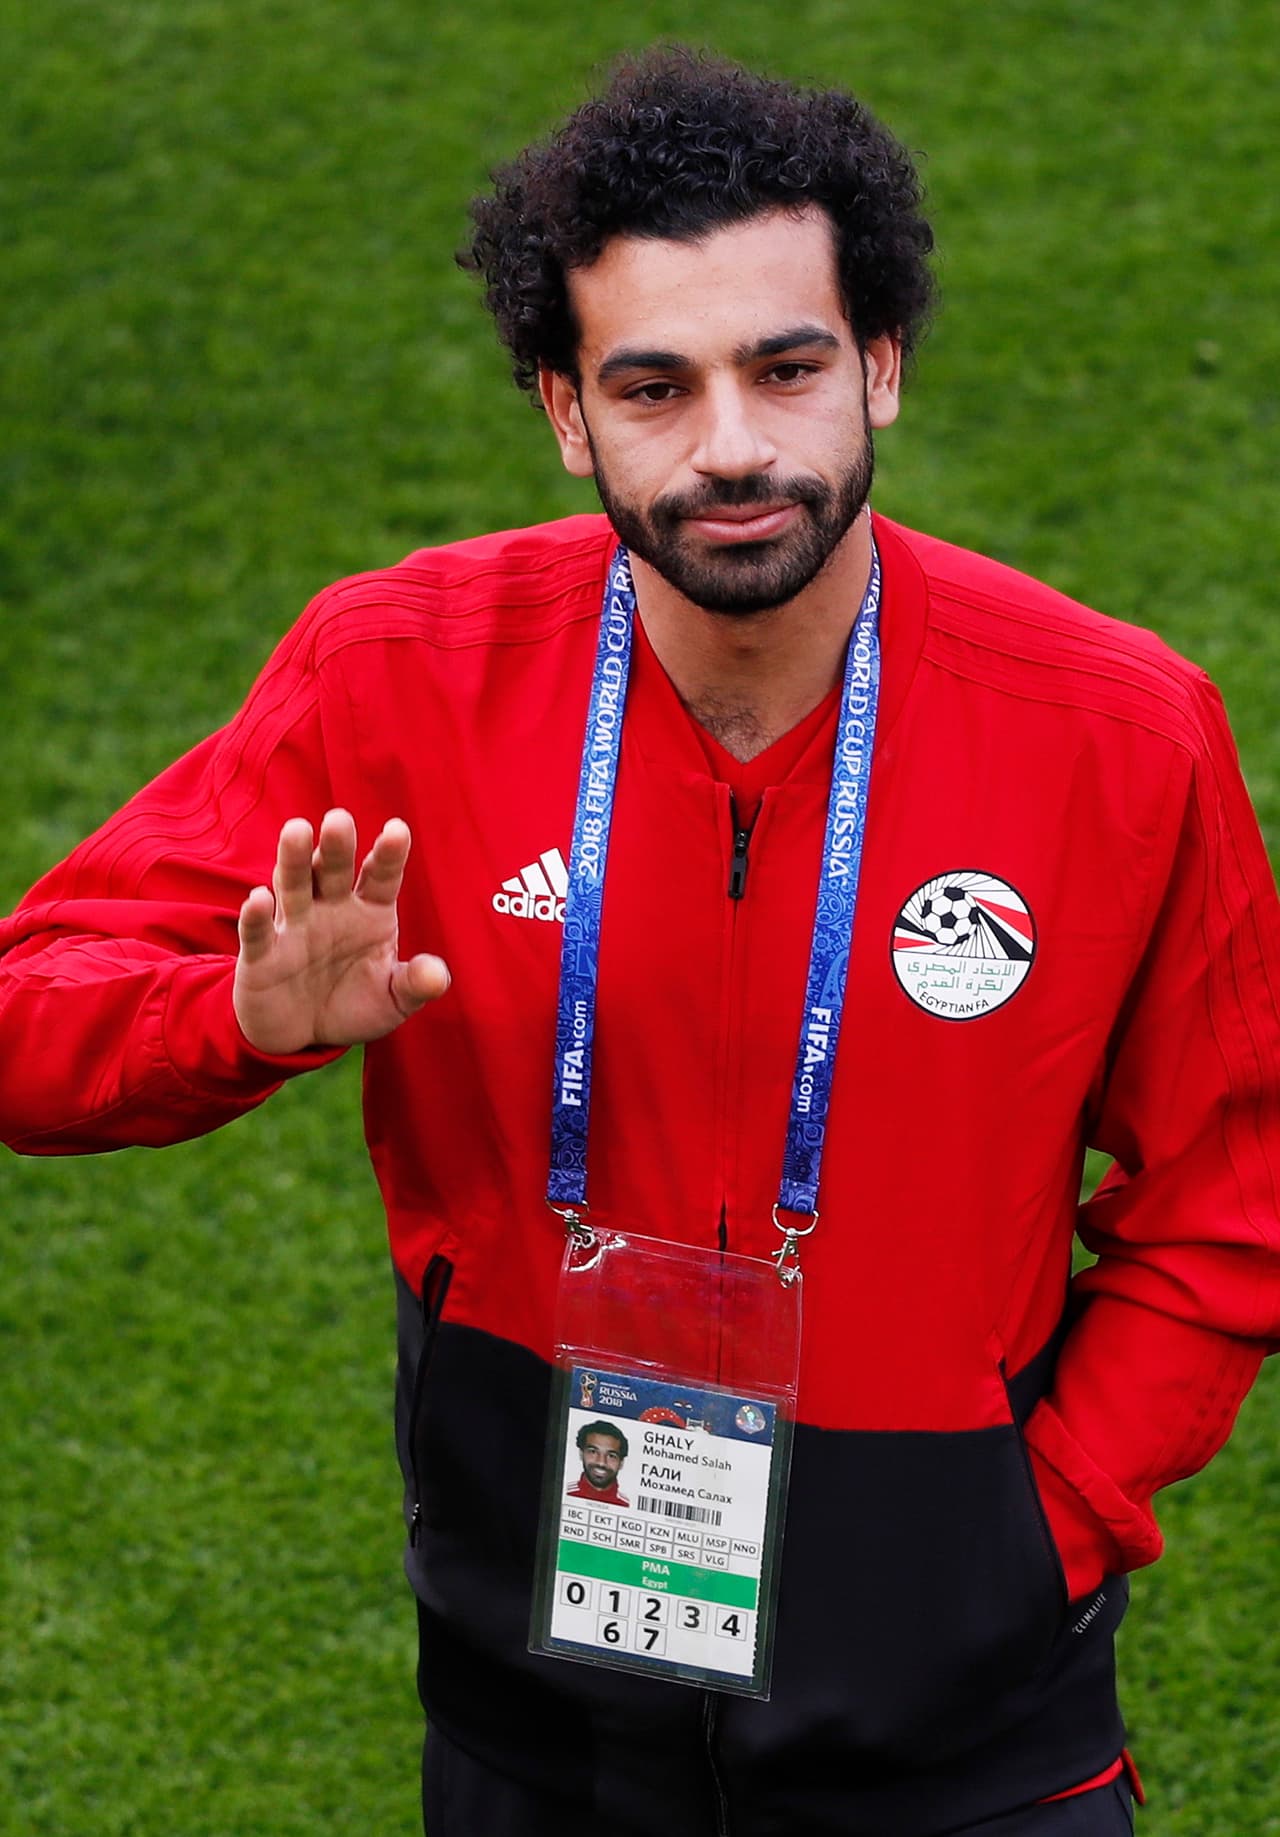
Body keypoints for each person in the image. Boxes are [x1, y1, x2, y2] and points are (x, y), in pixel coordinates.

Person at [2, 44, 1277, 1837]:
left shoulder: (1119, 733)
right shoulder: (397, 672)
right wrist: (237, 1016)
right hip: (538, 1699)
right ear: (563, 409)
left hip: (974, 1708)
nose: (735, 445)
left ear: (884, 365)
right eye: (655, 386)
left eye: (788, 366)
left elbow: (1234, 1184)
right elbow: (28, 1014)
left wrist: (1042, 1517)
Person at [567, 1421, 630, 1506]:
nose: (601, 1462)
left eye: (611, 1456)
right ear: (581, 1454)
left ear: (621, 1463)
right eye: (593, 1452)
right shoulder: (564, 1493)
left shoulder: (627, 1505)